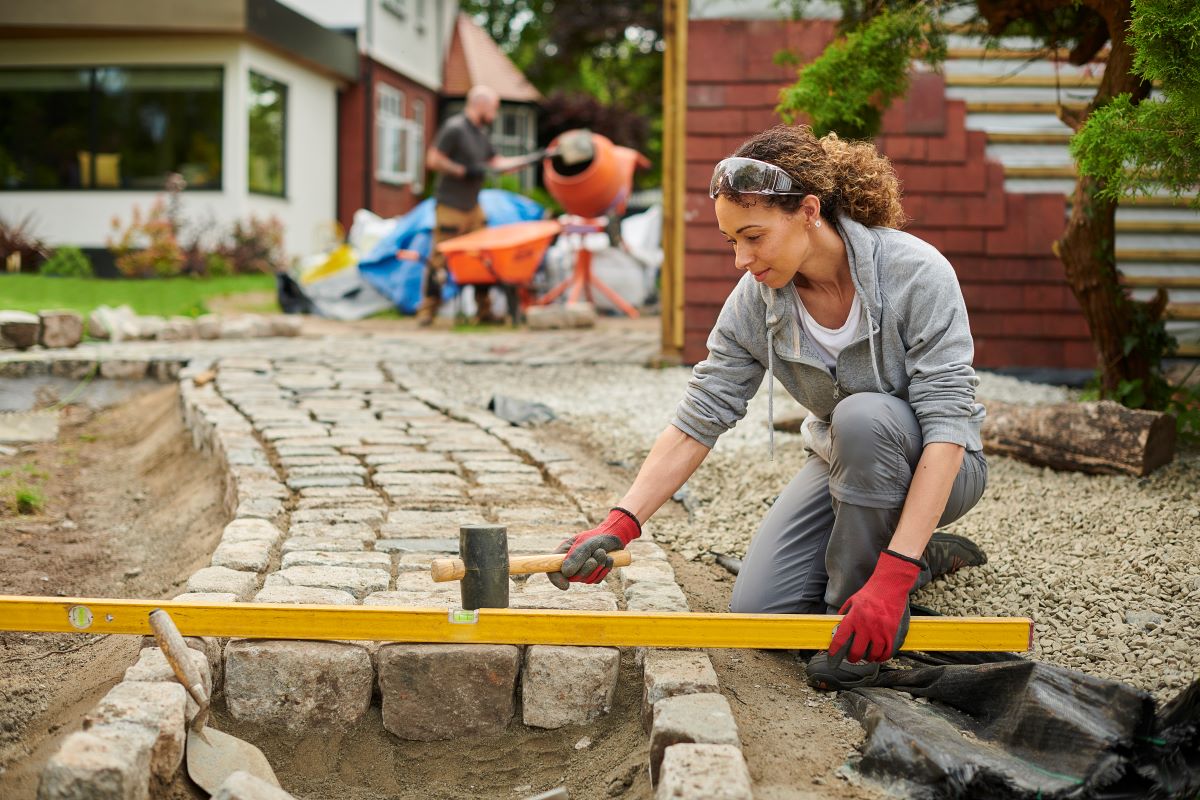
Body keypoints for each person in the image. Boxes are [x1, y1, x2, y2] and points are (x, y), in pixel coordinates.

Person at [548, 124, 989, 691]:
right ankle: (918, 553)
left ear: (808, 211)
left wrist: (892, 578)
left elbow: (950, 426)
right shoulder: (757, 302)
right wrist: (619, 523)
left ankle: (860, 619)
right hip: (847, 466)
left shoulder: (914, 273)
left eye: (753, 237)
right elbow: (701, 414)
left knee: (863, 416)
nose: (741, 258)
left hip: (943, 466)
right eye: (732, 241)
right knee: (764, 613)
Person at [420, 85, 536, 326]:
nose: (495, 113)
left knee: (483, 258)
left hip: (473, 207)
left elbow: (496, 162)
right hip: (451, 205)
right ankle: (427, 312)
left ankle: (484, 312)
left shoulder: (481, 135)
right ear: (480, 104)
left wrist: (529, 160)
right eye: (493, 108)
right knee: (440, 258)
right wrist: (461, 170)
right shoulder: (455, 128)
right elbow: (433, 159)